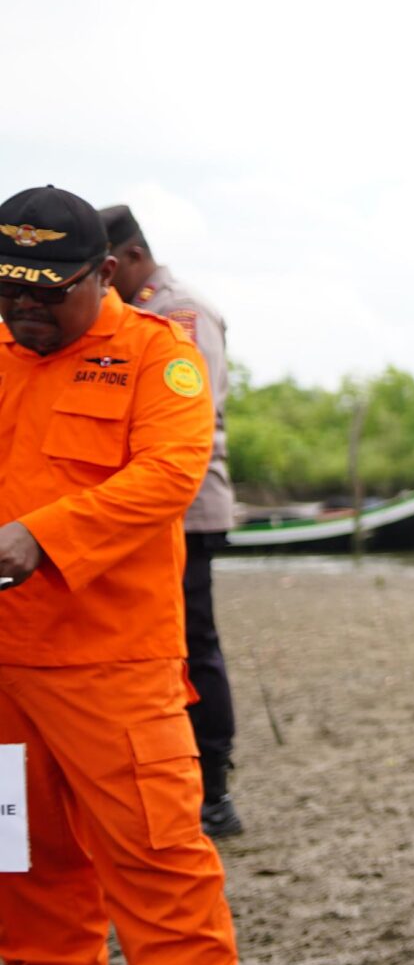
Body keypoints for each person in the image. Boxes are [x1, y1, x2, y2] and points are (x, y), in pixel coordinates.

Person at [0, 184, 248, 965]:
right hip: (8, 670)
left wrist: (43, 535)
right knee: (24, 857)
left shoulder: (159, 355)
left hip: (114, 663)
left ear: (102, 274)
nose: (23, 308)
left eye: (44, 291)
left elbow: (168, 476)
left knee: (156, 851)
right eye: (7, 289)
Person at [98, 205, 244, 839]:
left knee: (191, 648)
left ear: (129, 258)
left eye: (103, 275)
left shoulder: (178, 313)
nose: (100, 290)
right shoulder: (130, 312)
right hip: (135, 510)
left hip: (184, 508)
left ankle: (213, 789)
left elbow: (190, 416)